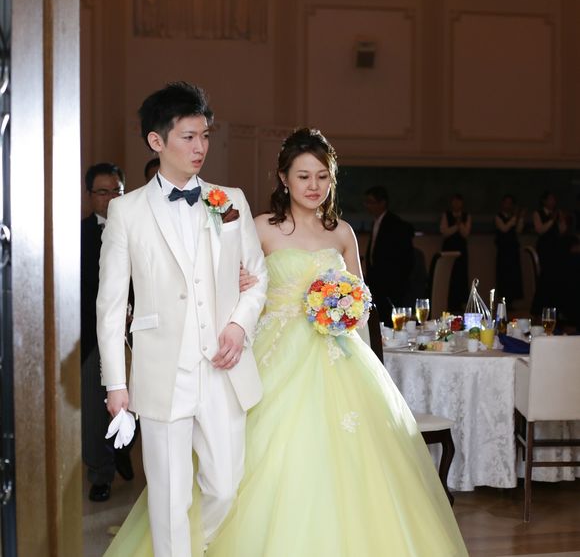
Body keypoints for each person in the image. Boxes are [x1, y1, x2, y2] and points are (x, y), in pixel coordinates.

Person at [105, 128, 468, 556]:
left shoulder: (342, 233)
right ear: (284, 178)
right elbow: (223, 285)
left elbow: (361, 298)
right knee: (248, 463)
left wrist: (346, 307)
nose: (314, 186)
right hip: (274, 352)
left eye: (322, 177)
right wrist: (239, 282)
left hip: (338, 355)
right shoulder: (260, 227)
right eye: (303, 176)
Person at [98, 82, 268, 556]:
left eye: (205, 136)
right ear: (157, 141)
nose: (200, 147)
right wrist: (116, 384)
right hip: (161, 370)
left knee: (225, 487)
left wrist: (238, 324)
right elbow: (110, 305)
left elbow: (258, 277)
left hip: (222, 366)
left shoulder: (230, 200)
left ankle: (193, 547)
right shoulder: (126, 211)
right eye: (188, 137)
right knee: (169, 496)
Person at [81, 162, 136, 502]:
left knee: (138, 400)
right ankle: (100, 473)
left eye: (117, 190)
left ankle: (123, 449)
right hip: (92, 334)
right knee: (93, 408)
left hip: (137, 332)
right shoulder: (78, 235)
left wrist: (133, 311)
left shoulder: (136, 227)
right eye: (103, 192)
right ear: (90, 195)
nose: (111, 197)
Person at [364, 185, 415, 322]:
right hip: (377, 282)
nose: (368, 206)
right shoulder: (376, 222)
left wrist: (396, 282)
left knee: (390, 319)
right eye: (367, 202)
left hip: (391, 284)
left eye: (371, 202)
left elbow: (405, 257)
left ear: (382, 203)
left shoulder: (396, 224)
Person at [531, 191, 566, 315]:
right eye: (550, 199)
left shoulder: (557, 213)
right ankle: (540, 308)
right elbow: (540, 229)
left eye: (554, 199)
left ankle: (556, 307)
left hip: (556, 247)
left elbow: (562, 231)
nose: (553, 202)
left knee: (557, 276)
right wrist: (552, 219)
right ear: (544, 201)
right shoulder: (537, 213)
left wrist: (561, 220)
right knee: (546, 276)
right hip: (545, 248)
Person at [440, 193, 471, 312]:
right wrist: (455, 226)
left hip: (461, 250)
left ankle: (460, 303)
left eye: (459, 201)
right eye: (454, 201)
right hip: (449, 249)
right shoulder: (446, 215)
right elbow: (444, 232)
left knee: (461, 275)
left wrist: (460, 224)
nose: (457, 204)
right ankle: (449, 302)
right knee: (450, 275)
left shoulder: (466, 216)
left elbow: (465, 233)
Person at [494, 194, 524, 304]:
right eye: (506, 203)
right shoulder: (498, 217)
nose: (508, 205)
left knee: (513, 275)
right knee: (503, 275)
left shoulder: (514, 217)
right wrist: (514, 217)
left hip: (513, 250)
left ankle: (511, 300)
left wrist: (520, 218)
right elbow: (504, 228)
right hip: (503, 250)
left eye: (510, 203)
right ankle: (503, 299)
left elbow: (519, 230)